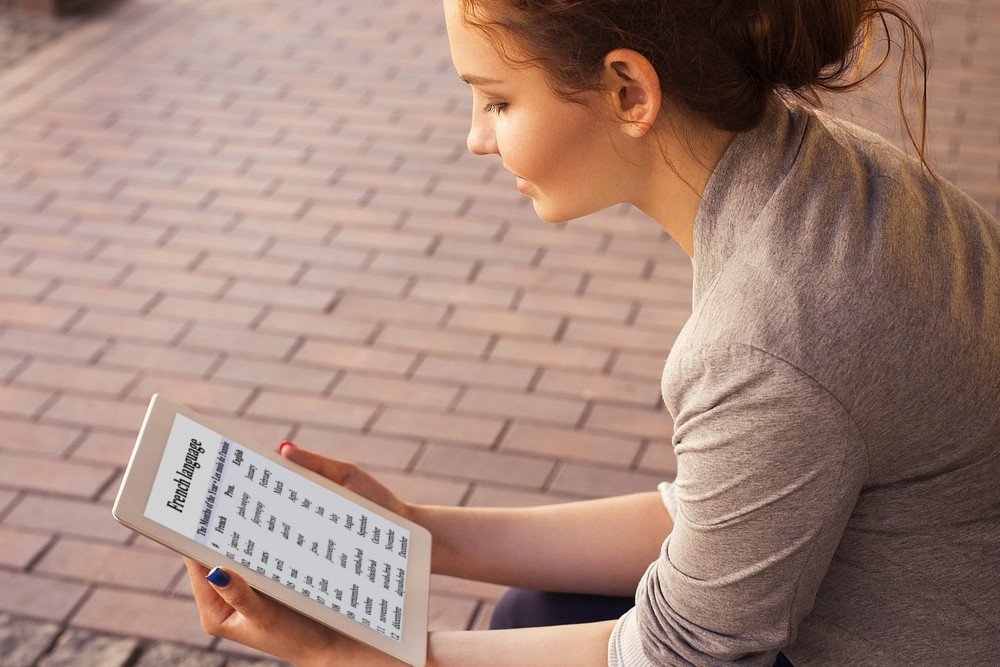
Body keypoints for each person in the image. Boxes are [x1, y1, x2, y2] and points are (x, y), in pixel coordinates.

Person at [182, 0, 1000, 664]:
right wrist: (415, 530)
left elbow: (686, 653)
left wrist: (363, 659)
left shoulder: (768, 335)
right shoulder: (822, 173)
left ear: (629, 92)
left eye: (498, 100)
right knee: (534, 611)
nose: (477, 137)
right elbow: (723, 514)